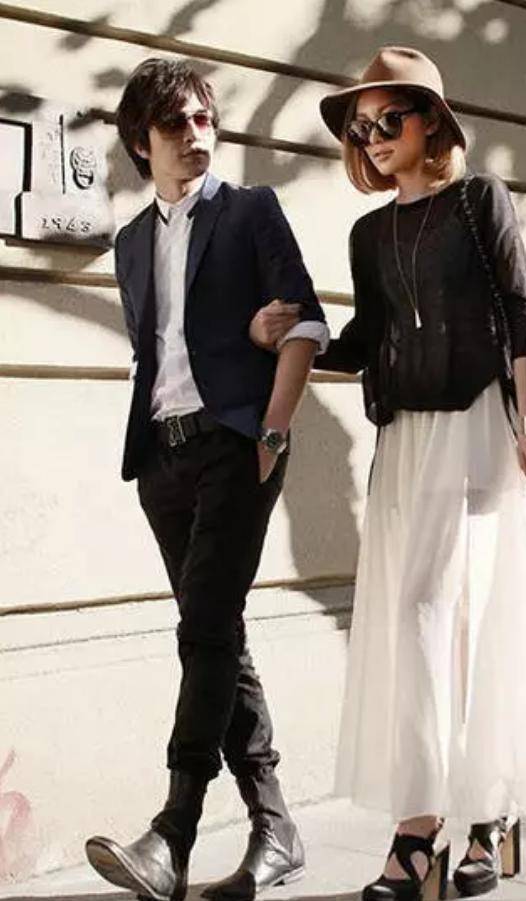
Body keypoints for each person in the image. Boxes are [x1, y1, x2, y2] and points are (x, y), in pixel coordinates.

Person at [256, 45, 526, 900]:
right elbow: (365, 339)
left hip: (480, 430)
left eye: (390, 118)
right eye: (361, 127)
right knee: (417, 621)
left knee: (470, 615)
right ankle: (425, 822)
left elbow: (522, 310)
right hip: (407, 442)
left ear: (433, 122)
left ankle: (479, 814)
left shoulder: (480, 199)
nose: (374, 137)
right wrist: (291, 335)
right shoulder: (368, 232)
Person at [84, 58, 329, 901]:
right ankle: (275, 825)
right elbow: (159, 350)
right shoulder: (129, 243)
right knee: (216, 630)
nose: (196, 135)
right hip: (162, 459)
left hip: (236, 446)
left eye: (203, 119)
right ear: (140, 142)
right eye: (176, 124)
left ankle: (174, 829)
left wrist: (272, 430)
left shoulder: (252, 210)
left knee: (206, 631)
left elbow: (306, 321)